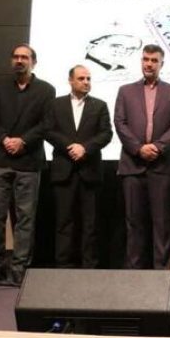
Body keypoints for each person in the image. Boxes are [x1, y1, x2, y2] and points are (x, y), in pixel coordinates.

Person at [0, 44, 55, 285]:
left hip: (29, 161)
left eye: (24, 57)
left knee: (25, 218)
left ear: (34, 62)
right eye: (15, 57)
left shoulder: (46, 90)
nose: (19, 60)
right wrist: (4, 139)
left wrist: (22, 141)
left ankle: (19, 267)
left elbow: (47, 123)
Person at [114, 44, 170, 269]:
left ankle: (162, 272)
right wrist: (138, 149)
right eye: (146, 59)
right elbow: (120, 123)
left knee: (162, 223)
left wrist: (157, 147)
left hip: (162, 166)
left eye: (154, 60)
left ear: (162, 63)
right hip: (132, 165)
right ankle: (134, 271)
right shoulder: (125, 91)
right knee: (134, 222)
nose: (149, 64)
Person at [44, 65, 113, 268]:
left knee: (90, 223)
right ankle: (63, 265)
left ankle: (89, 266)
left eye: (88, 78)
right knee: (64, 222)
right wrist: (69, 146)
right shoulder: (55, 104)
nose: (86, 82)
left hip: (89, 171)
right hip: (63, 170)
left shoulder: (99, 105)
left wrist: (85, 148)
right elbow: (48, 130)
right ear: (70, 80)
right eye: (81, 78)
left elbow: (106, 133)